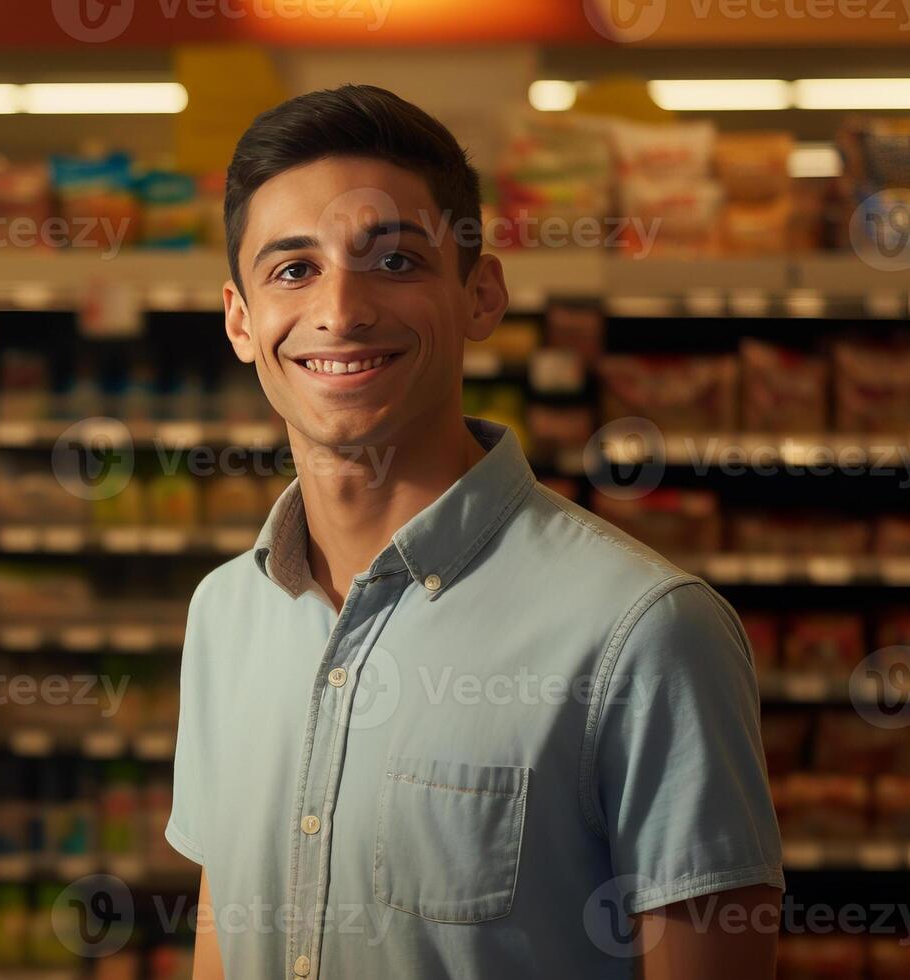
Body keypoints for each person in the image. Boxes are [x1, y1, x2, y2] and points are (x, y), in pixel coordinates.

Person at [165, 85, 783, 979]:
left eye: (395, 262)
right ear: (239, 319)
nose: (340, 309)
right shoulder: (225, 614)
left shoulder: (645, 633)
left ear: (480, 295)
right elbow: (224, 936)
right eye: (292, 270)